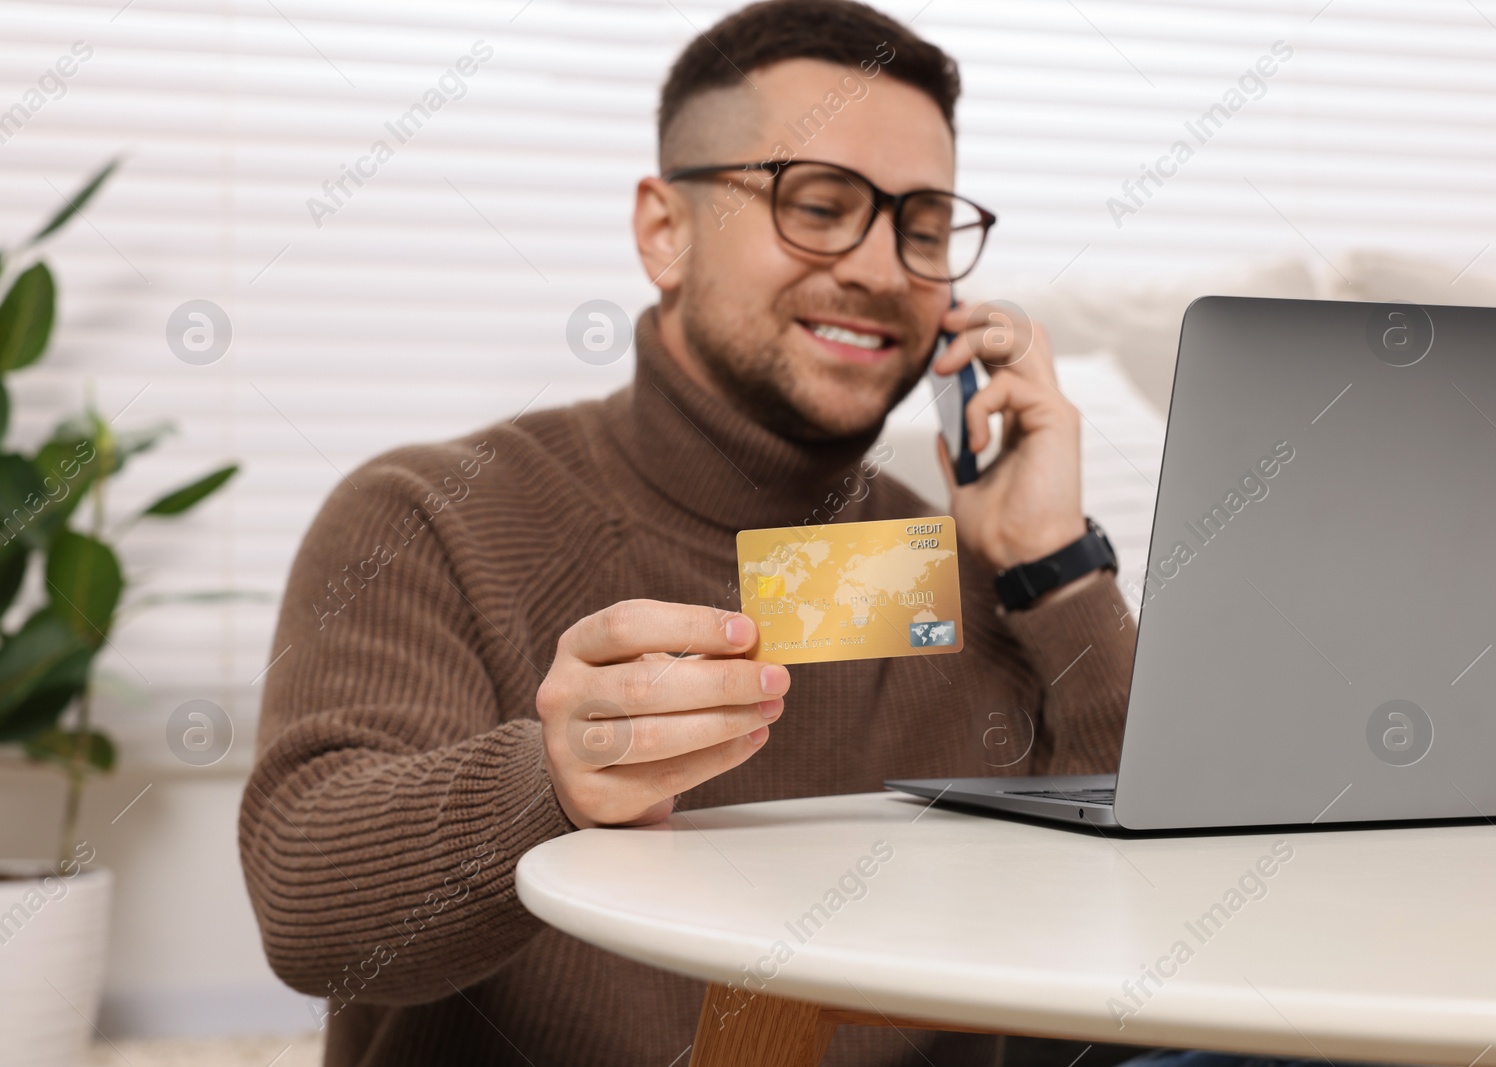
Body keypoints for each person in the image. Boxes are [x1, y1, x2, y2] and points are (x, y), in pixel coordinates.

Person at [241, 3, 1384, 1066]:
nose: (883, 268)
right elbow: (306, 909)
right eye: (817, 203)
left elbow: (1192, 909)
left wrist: (1054, 565)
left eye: (925, 226)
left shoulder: (962, 568)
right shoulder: (431, 514)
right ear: (664, 229)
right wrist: (556, 775)